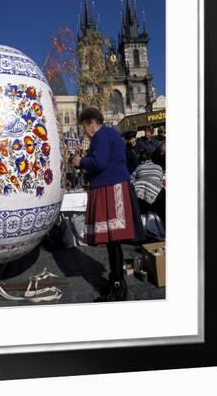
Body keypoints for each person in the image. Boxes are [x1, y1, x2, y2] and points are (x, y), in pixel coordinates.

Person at [71, 107, 137, 302]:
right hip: (112, 185)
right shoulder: (110, 134)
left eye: (84, 127)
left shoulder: (101, 136)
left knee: (113, 240)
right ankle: (117, 282)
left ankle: (117, 286)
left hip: (111, 188)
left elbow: (99, 162)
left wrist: (80, 161)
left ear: (92, 122)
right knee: (112, 241)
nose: (84, 132)